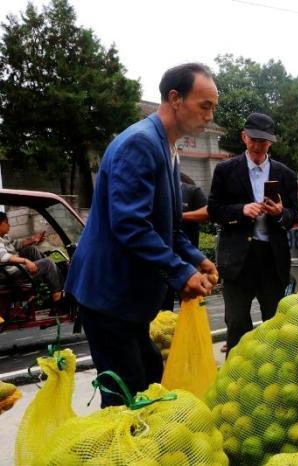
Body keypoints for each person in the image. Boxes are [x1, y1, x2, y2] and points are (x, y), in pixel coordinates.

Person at [65, 63, 218, 407]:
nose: (210, 116)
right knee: (126, 398)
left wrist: (197, 259)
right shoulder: (140, 143)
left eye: (213, 108)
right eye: (205, 105)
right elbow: (131, 225)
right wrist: (180, 274)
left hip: (131, 304)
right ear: (175, 99)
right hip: (108, 297)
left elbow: (170, 228)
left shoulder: (169, 149)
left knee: (150, 381)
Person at [208, 112, 298, 354]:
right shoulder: (225, 170)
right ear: (244, 137)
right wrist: (241, 210)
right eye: (254, 139)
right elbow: (214, 209)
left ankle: (276, 372)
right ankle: (237, 377)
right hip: (238, 259)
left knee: (275, 320)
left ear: (271, 142)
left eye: (264, 141)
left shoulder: (286, 175)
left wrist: (280, 212)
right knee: (236, 321)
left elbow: (293, 215)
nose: (259, 146)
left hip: (272, 258)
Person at [161, 173, 209, 311]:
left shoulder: (191, 190)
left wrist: (180, 216)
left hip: (189, 261)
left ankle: (197, 330)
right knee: (163, 310)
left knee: (195, 305)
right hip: (163, 260)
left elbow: (209, 211)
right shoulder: (158, 193)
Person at [0, 212, 64, 308]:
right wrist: (26, 261)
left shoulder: (5, 237)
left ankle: (44, 281)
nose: (9, 225)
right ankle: (56, 297)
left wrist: (34, 239)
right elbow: (3, 257)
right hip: (10, 275)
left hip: (16, 269)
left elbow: (18, 244)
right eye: (6, 222)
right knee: (48, 263)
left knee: (31, 249)